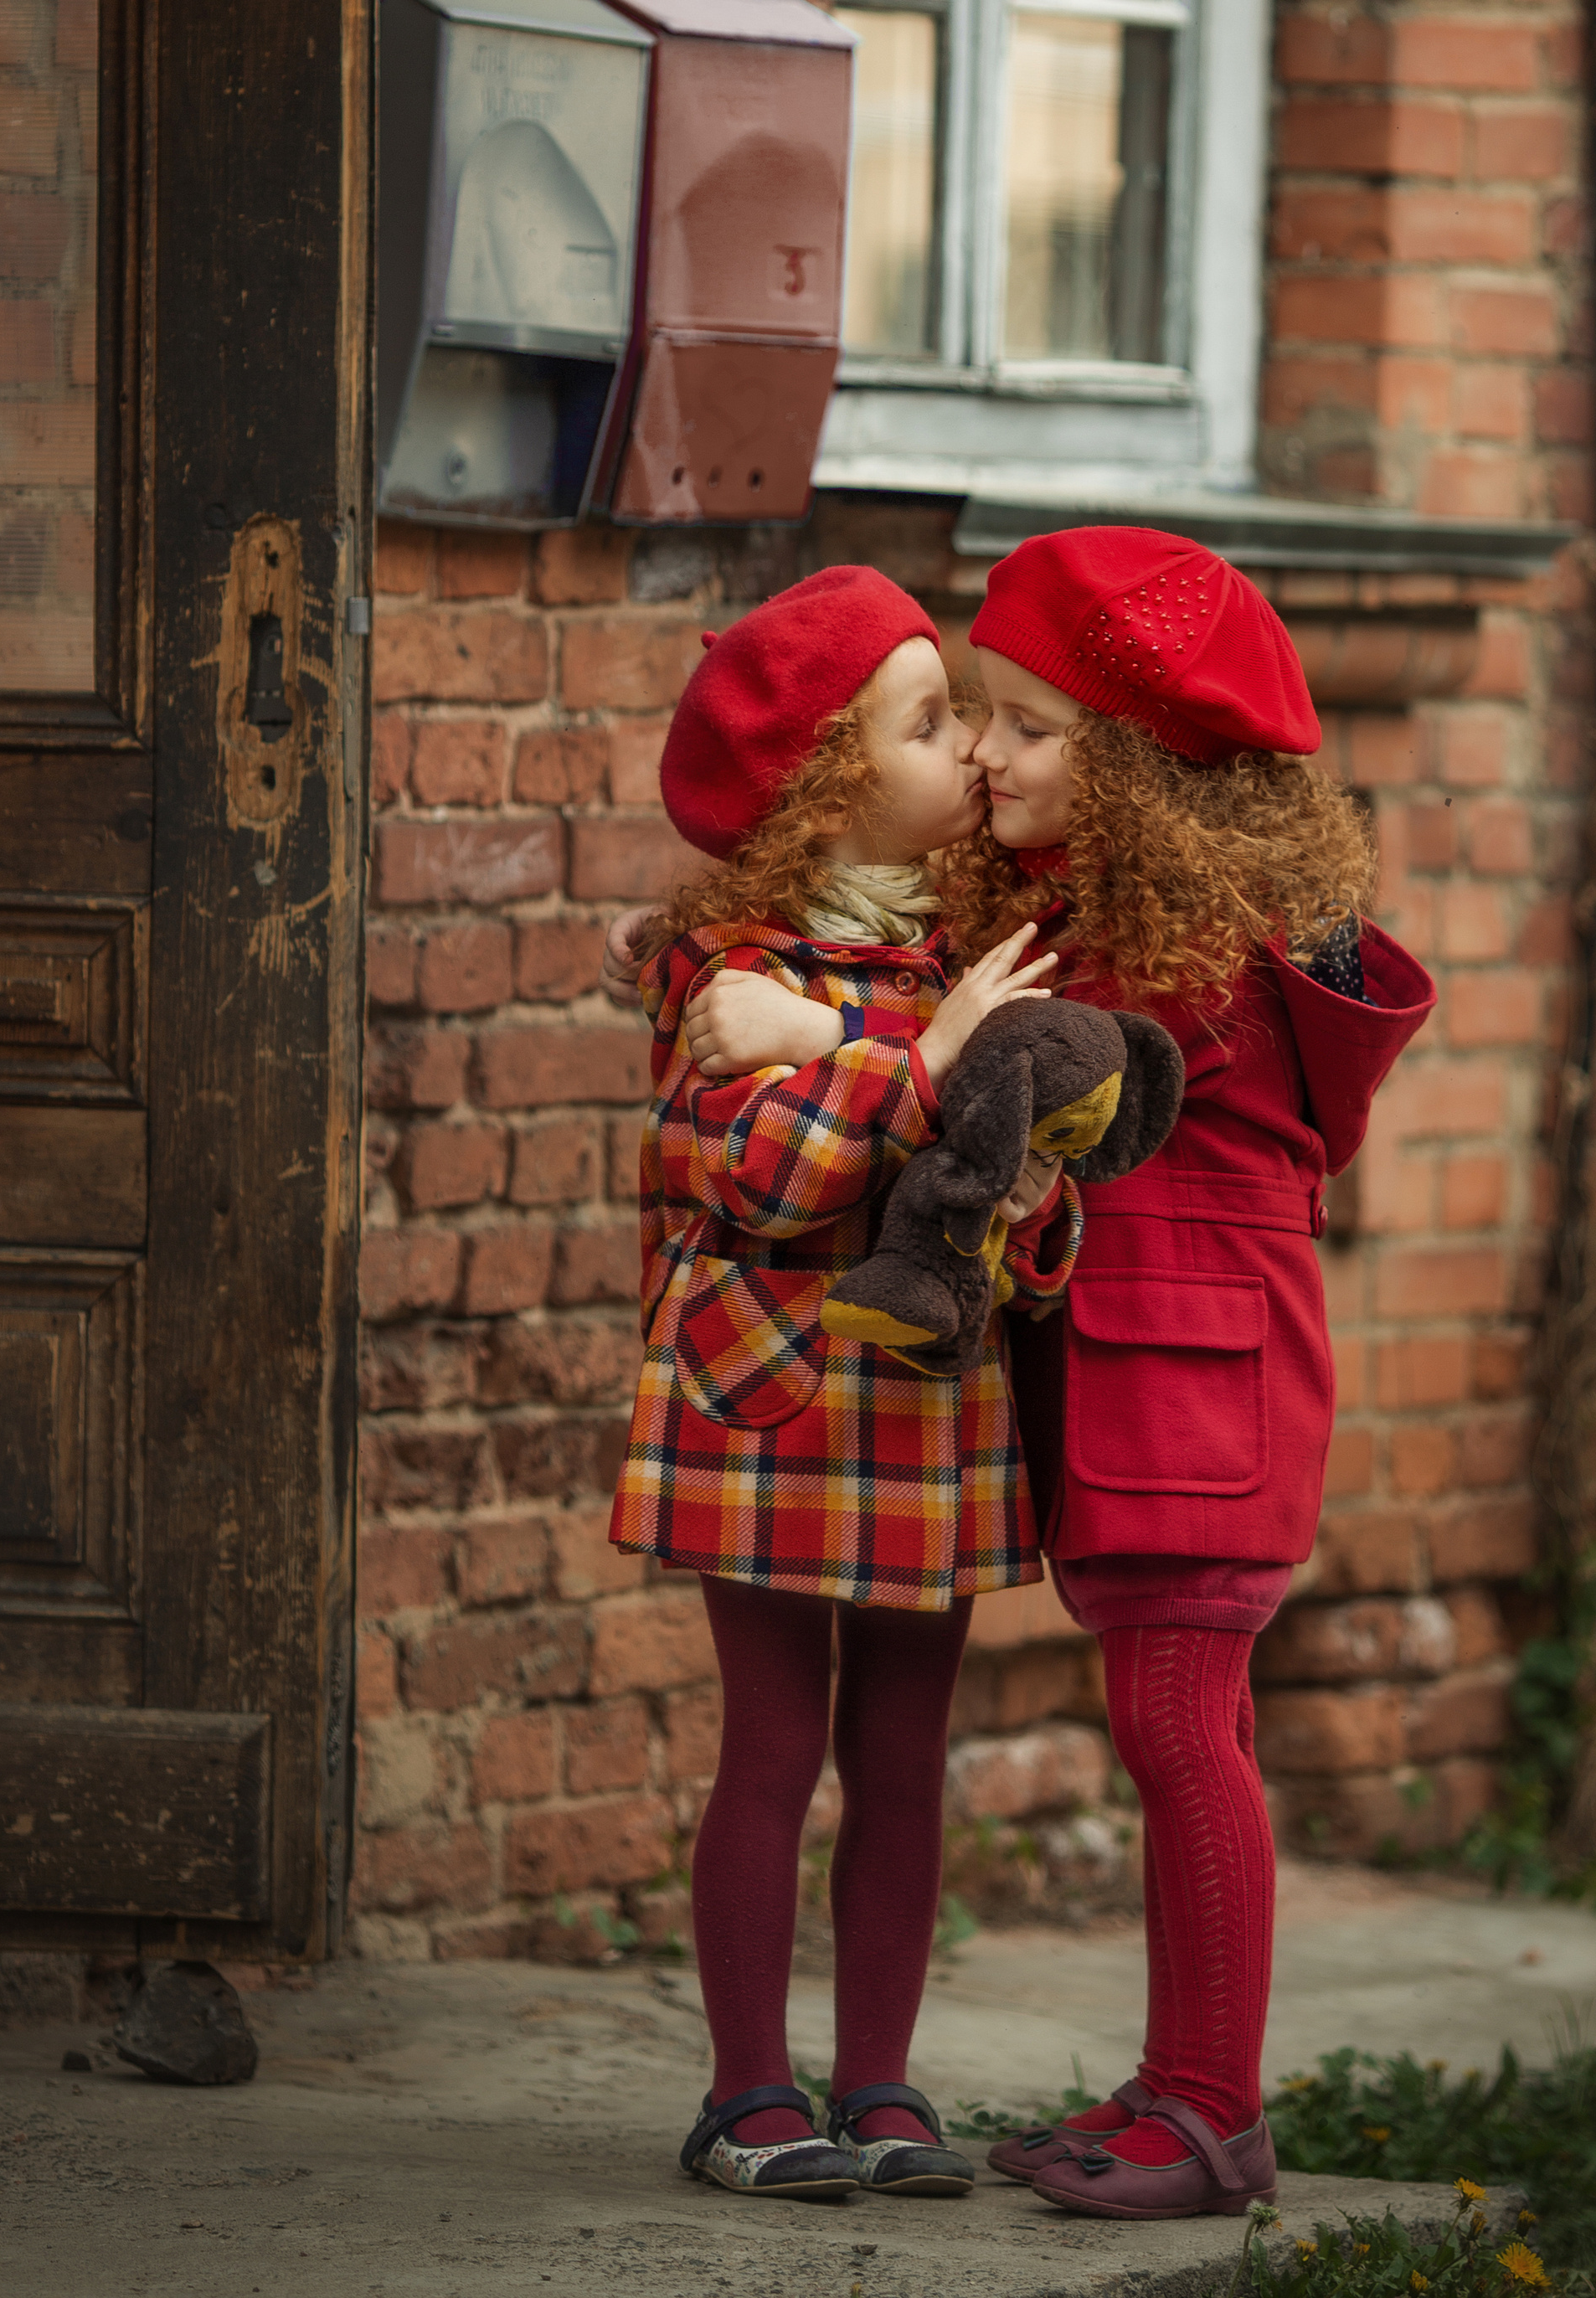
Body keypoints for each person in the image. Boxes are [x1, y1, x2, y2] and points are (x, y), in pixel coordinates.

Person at [680, 528, 1435, 2225]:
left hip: (1193, 1387)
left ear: (1138, 770)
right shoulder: (1134, 917)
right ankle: (1183, 2084)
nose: (988, 755)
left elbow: (1011, 1074)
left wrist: (816, 1040)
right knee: (1183, 1727)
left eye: (1025, 723)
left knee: (1178, 1731)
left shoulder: (1173, 946)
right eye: (977, 717)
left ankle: (1212, 2111)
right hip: (1156, 1377)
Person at [605, 564, 1070, 2208]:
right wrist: (915, 1062)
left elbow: (1018, 1175)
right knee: (772, 1744)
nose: (968, 754)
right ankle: (742, 2092)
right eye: (929, 722)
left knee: (903, 1746)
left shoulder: (970, 952)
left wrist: (1025, 1200)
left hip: (926, 1400)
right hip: (778, 1394)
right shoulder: (718, 965)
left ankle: (875, 2080)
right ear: (825, 773)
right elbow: (761, 1186)